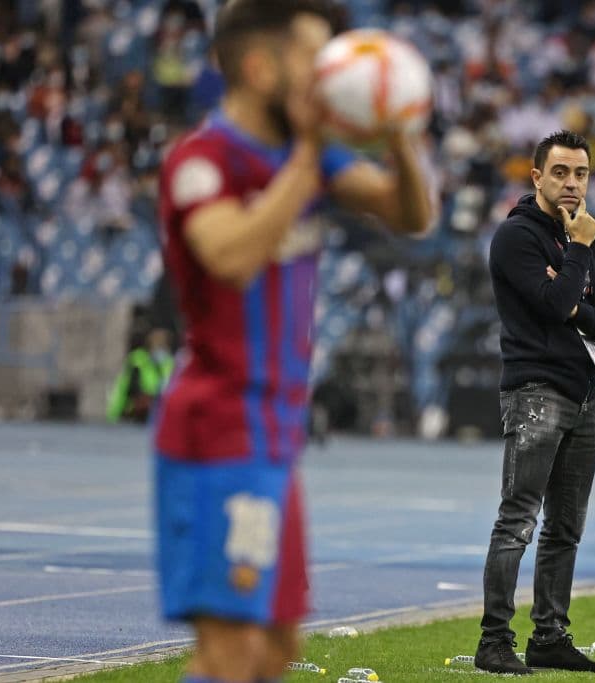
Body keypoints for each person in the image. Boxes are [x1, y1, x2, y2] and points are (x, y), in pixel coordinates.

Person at [152, 2, 432, 682]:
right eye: (314, 58)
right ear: (258, 67)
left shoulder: (311, 158)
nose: (329, 77)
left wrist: (396, 134)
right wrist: (308, 157)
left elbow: (413, 214)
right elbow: (232, 255)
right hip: (219, 430)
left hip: (276, 434)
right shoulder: (203, 161)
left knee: (277, 649)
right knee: (231, 653)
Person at [476, 130, 595, 675]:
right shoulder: (517, 237)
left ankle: (549, 636)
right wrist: (578, 257)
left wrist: (572, 303)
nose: (572, 183)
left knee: (566, 526)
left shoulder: (591, 236)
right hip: (536, 390)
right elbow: (553, 302)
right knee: (518, 519)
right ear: (536, 176)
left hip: (585, 393)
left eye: (581, 173)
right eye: (560, 172)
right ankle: (494, 641)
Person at [107, 327, 174, 422]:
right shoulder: (138, 360)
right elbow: (132, 389)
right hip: (130, 412)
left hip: (156, 413)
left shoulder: (168, 363)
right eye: (159, 346)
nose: (162, 350)